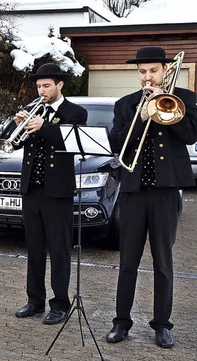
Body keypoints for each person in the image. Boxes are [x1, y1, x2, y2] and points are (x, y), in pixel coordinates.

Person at [106, 46, 197, 348]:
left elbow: (190, 135)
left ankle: (162, 325)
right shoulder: (125, 104)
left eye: (153, 71)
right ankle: (121, 323)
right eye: (143, 72)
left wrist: (162, 104)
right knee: (128, 260)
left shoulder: (185, 99)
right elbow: (117, 144)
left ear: (165, 71)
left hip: (165, 193)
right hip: (133, 192)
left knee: (163, 261)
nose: (148, 77)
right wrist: (143, 114)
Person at [12, 63, 87, 324]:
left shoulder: (75, 112)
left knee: (59, 249)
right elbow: (16, 143)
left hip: (58, 193)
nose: (41, 91)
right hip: (32, 189)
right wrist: (19, 127)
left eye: (46, 86)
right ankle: (35, 300)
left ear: (59, 85)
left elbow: (69, 141)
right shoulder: (35, 110)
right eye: (38, 86)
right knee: (34, 248)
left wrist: (42, 126)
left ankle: (60, 303)